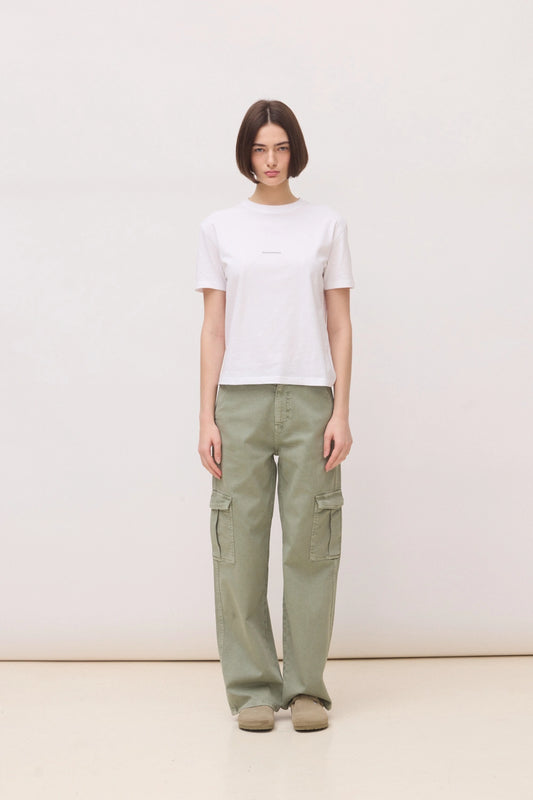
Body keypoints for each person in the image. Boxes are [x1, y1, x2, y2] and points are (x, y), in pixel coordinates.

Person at [195, 99, 354, 732]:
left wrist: (342, 410)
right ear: (247, 154)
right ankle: (253, 689)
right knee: (238, 548)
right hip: (239, 401)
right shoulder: (219, 228)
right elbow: (213, 328)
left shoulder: (326, 224)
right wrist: (206, 417)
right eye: (260, 149)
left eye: (281, 148)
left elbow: (340, 324)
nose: (271, 160)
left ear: (295, 151)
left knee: (312, 545)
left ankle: (307, 688)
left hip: (311, 398)